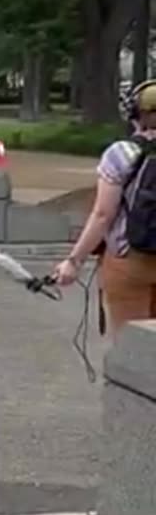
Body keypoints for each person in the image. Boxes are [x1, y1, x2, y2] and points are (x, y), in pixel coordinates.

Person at [53, 80, 156, 337]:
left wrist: (74, 261)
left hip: (129, 260)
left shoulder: (121, 153)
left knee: (132, 348)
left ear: (134, 114)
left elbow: (102, 215)